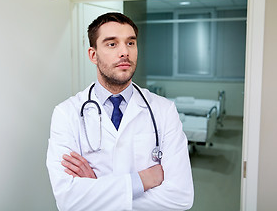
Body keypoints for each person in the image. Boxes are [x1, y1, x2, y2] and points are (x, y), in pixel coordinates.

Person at [46, 12, 194, 211]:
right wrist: (143, 180)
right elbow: (67, 199)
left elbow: (181, 197)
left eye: (131, 43)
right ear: (93, 55)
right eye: (112, 44)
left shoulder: (164, 110)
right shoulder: (66, 113)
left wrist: (97, 191)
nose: (125, 51)